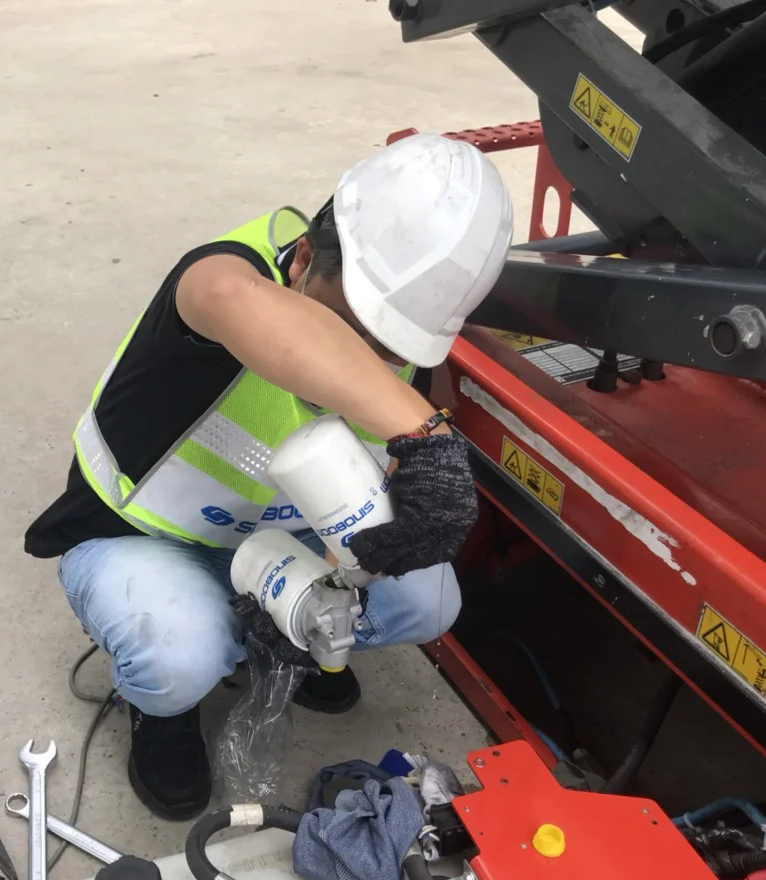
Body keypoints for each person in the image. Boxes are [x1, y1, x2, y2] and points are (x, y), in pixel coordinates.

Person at [26, 133, 514, 819]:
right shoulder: (229, 278)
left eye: (389, 347)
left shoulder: (399, 342)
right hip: (145, 537)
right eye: (350, 328)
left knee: (426, 598)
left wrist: (345, 576)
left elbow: (375, 474)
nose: (366, 358)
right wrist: (428, 434)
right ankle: (164, 710)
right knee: (177, 655)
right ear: (305, 259)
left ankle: (291, 645)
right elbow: (224, 293)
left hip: (283, 538)